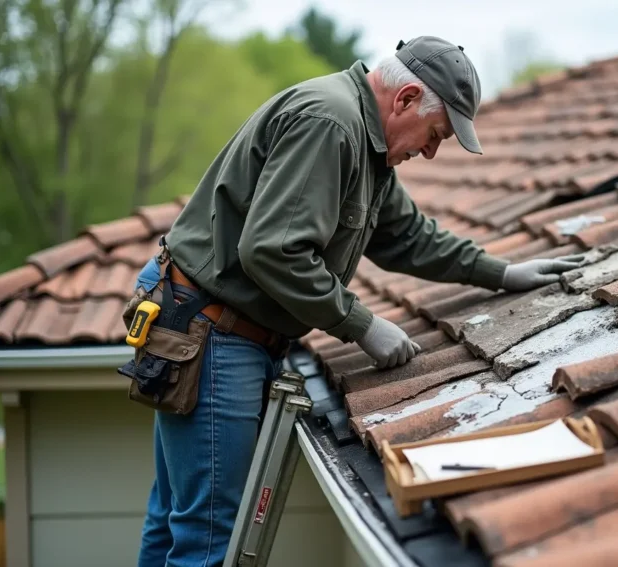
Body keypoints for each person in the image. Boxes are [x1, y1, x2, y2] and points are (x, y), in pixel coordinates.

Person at [132, 36, 583, 567]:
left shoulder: (368, 145)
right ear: (407, 99)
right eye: (436, 134)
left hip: (214, 319)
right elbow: (272, 250)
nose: (431, 152)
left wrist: (500, 272)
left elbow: (410, 237)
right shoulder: (332, 123)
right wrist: (360, 324)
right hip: (213, 331)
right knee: (207, 536)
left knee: (177, 520)